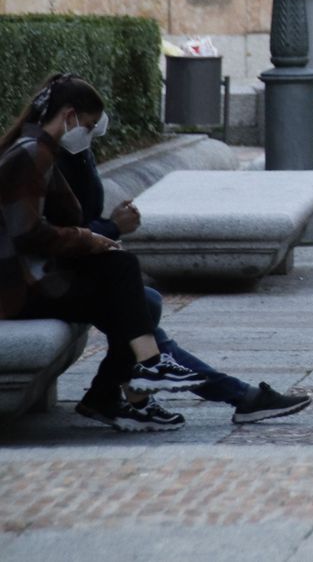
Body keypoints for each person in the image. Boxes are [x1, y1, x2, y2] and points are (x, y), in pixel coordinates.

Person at [1, 75, 212, 431]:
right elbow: (29, 234)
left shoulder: (40, 150)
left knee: (132, 290)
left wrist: (89, 223)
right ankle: (141, 375)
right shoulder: (30, 152)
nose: (86, 135)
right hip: (16, 288)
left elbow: (76, 212)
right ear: (68, 115)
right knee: (123, 273)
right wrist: (89, 239)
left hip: (31, 277)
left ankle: (116, 392)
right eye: (87, 126)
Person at [56, 145, 312, 427]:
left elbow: (74, 226)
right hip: (37, 288)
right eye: (90, 122)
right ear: (68, 115)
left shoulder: (72, 154)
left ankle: (109, 392)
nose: (95, 128)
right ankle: (235, 394)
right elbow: (46, 236)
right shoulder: (39, 158)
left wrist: (105, 229)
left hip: (62, 276)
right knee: (138, 306)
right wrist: (111, 228)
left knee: (145, 303)